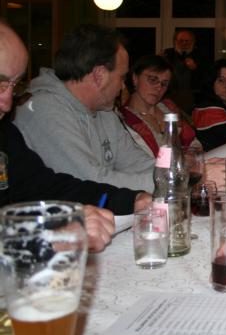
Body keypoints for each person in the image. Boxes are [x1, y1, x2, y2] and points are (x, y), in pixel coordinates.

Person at [0, 20, 150, 252]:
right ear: (99, 74)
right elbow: (88, 176)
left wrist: (131, 199)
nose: (7, 103)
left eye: (14, 85)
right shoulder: (43, 110)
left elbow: (45, 187)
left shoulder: (4, 135)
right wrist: (46, 235)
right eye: (0, 83)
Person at [14, 24, 155, 193]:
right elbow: (91, 183)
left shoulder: (104, 111)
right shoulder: (43, 110)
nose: (123, 86)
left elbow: (137, 163)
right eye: (122, 77)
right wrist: (169, 182)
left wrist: (174, 174)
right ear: (99, 75)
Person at [120, 54, 199, 157]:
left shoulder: (168, 107)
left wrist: (191, 154)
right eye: (153, 80)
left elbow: (193, 143)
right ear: (135, 78)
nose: (159, 87)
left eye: (164, 83)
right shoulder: (123, 120)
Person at [163, 29, 206, 114]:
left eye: (187, 41)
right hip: (170, 96)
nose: (184, 43)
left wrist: (195, 68)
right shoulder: (167, 54)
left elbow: (206, 77)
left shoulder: (201, 55)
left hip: (194, 97)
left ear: (193, 42)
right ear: (175, 41)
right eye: (181, 41)